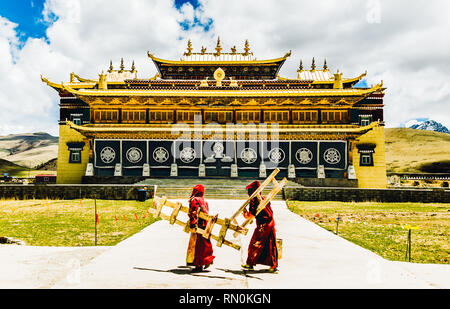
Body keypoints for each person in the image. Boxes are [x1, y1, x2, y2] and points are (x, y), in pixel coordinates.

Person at [241, 180, 278, 272]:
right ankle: (273, 266)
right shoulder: (264, 198)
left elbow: (251, 215)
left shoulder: (253, 200)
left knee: (255, 244)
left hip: (263, 225)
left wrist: (245, 214)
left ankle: (250, 264)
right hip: (270, 223)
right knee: (270, 244)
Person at [186, 184, 215, 272]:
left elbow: (194, 212)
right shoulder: (204, 201)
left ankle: (198, 264)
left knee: (197, 245)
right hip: (205, 224)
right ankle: (207, 260)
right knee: (205, 243)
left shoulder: (194, 200)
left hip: (198, 225)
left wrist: (193, 223)